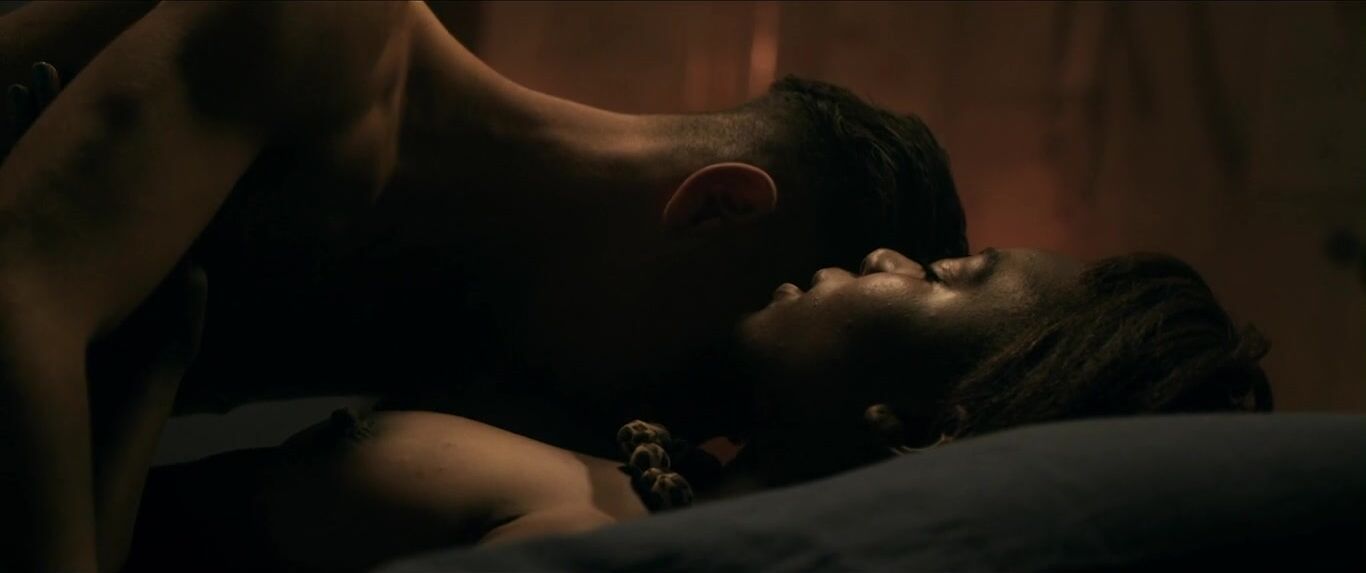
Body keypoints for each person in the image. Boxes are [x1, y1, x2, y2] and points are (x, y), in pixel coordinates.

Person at [0, 3, 965, 572]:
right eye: (705, 378)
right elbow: (17, 287)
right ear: (715, 209)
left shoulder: (472, 354)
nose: (661, 424)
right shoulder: (331, 32)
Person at [123, 246, 1271, 573]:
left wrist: (139, 386)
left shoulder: (586, 537)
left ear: (925, 427)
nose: (884, 256)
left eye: (936, 277)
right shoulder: (622, 465)